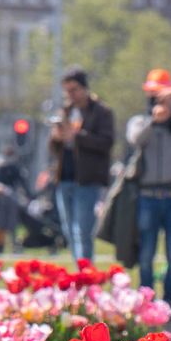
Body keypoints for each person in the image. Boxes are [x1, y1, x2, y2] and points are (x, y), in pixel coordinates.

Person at [125, 68, 171, 304]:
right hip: (148, 197)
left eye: (163, 95)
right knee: (146, 254)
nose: (160, 100)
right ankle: (146, 299)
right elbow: (136, 139)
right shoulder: (140, 121)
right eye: (155, 95)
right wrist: (153, 120)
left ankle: (169, 300)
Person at [48, 67, 115, 263]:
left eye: (74, 89)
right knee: (69, 230)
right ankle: (81, 271)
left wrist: (78, 136)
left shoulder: (101, 112)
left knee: (82, 230)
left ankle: (85, 275)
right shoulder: (65, 111)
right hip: (65, 177)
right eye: (67, 90)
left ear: (84, 88)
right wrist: (56, 138)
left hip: (87, 179)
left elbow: (106, 142)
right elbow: (54, 149)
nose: (71, 94)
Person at [0, 143, 29, 255]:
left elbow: (21, 182)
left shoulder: (15, 167)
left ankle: (14, 246)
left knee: (12, 223)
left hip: (11, 197)